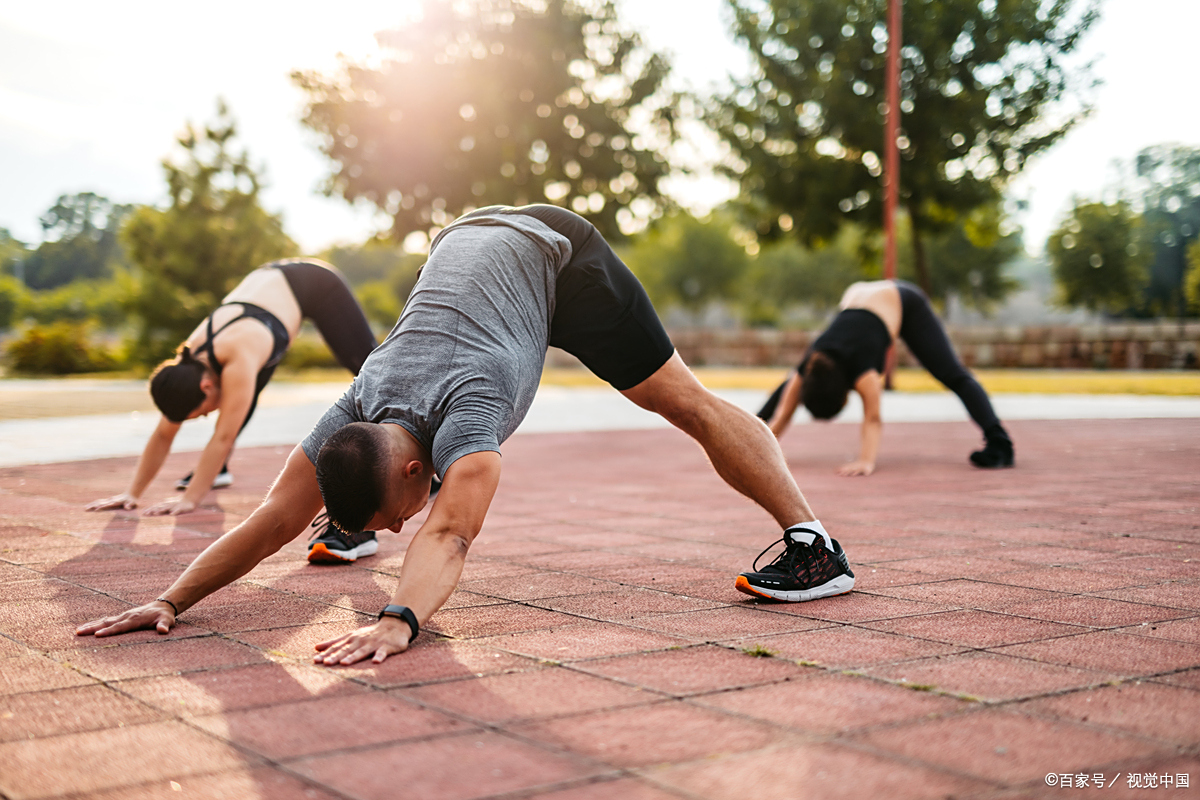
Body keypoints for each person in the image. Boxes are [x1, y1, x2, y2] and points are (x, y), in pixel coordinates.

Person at [76, 205, 854, 665]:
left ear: (417, 467)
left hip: (559, 256)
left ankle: (815, 545)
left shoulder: (472, 414)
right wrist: (172, 597)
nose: (402, 526)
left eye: (390, 515)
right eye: (386, 528)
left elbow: (448, 537)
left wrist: (399, 620)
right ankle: (343, 524)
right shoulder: (360, 395)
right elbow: (273, 518)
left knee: (682, 402)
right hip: (462, 241)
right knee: (327, 510)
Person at [84, 258, 383, 564]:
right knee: (239, 401)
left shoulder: (239, 356)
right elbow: (163, 433)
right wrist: (132, 494)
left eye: (200, 413)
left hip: (315, 284)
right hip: (267, 291)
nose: (203, 417)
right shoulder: (185, 369)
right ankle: (219, 469)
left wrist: (190, 500)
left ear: (205, 387)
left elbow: (223, 436)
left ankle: (413, 451)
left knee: (375, 374)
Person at [758, 279, 1014, 476]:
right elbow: (782, 414)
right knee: (790, 383)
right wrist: (755, 450)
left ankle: (1000, 442)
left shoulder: (862, 372)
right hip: (858, 296)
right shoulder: (811, 364)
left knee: (953, 374)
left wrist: (866, 460)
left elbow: (873, 418)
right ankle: (752, 426)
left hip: (903, 300)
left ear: (847, 390)